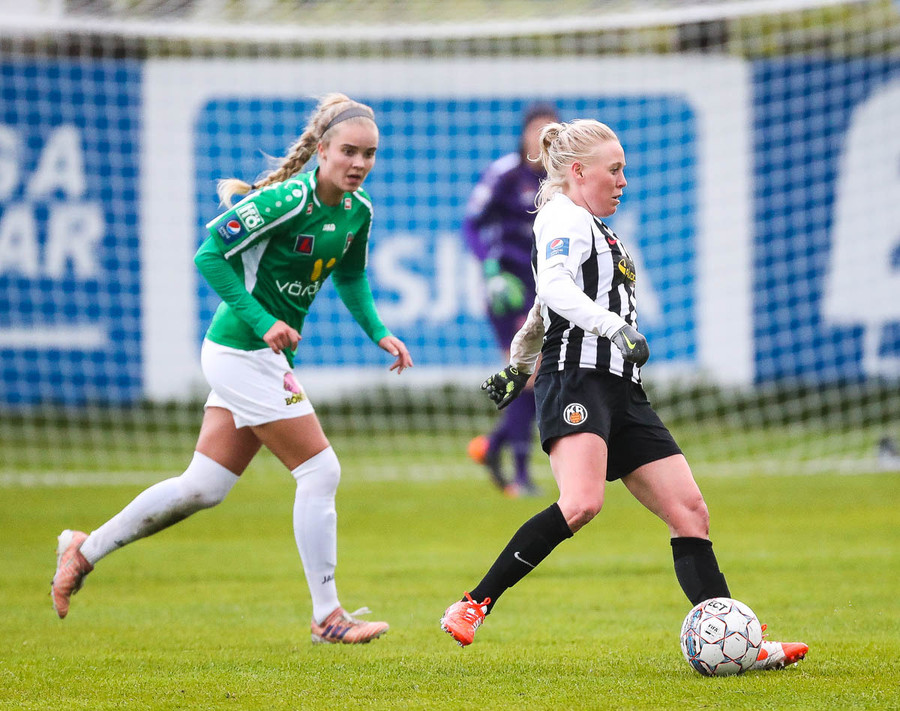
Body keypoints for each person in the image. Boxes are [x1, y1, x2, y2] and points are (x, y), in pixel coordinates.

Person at [440, 119, 808, 671]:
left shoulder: (590, 225)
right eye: (614, 170)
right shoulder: (562, 216)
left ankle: (740, 645)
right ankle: (473, 604)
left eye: (624, 171)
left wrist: (517, 364)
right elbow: (555, 289)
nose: (623, 181)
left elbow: (540, 308)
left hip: (621, 389)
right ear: (577, 171)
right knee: (581, 503)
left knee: (690, 512)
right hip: (577, 378)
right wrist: (611, 329)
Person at [51, 93, 413, 645]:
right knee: (320, 471)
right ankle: (328, 616)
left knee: (203, 487)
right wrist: (264, 321)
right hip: (240, 351)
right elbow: (208, 256)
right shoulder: (285, 201)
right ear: (322, 150)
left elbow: (349, 276)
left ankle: (84, 549)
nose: (359, 163)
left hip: (260, 356)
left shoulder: (357, 211)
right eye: (348, 151)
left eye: (369, 154)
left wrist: (378, 332)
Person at [463, 103, 559, 498]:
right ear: (523, 135)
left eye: (551, 131)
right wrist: (490, 268)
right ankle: (519, 475)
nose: (542, 138)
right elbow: (471, 223)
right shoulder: (505, 174)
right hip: (510, 288)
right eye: (536, 130)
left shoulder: (563, 178)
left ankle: (493, 447)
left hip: (547, 288)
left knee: (538, 377)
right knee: (528, 375)